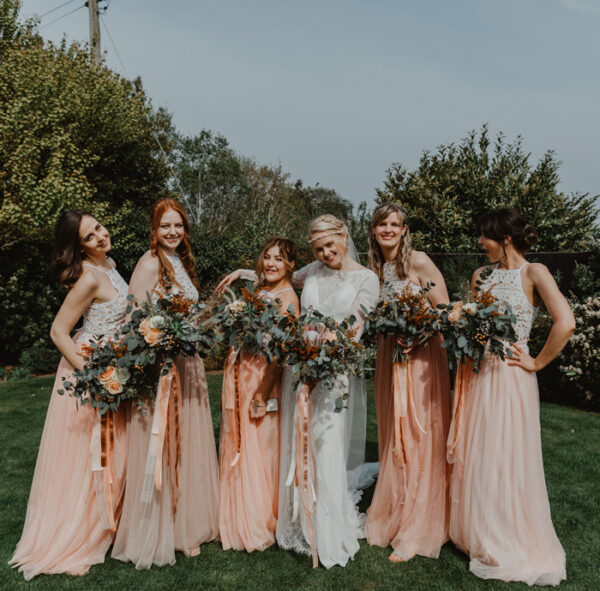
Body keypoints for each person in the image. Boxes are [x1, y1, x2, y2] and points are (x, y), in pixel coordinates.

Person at [220, 214, 379, 568]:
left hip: (332, 370)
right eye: (318, 248)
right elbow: (279, 277)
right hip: (296, 370)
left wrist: (323, 355)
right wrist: (246, 274)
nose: (325, 253)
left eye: (330, 245)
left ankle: (324, 525)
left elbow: (356, 330)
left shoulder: (367, 279)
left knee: (324, 443)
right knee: (295, 443)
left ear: (344, 236)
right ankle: (294, 518)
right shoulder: (313, 272)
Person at [448, 207, 572, 585]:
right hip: (477, 374)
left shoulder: (535, 273)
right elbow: (479, 328)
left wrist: (535, 362)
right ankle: (477, 531)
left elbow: (565, 322)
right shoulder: (481, 276)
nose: (479, 243)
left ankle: (506, 535)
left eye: (485, 237)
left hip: (511, 377)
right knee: (478, 452)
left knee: (505, 455)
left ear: (504, 238)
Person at [10, 210, 128, 579]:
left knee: (113, 452)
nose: (101, 237)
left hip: (115, 368)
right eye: (91, 237)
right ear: (79, 247)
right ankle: (75, 534)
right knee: (85, 459)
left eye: (99, 228)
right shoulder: (88, 278)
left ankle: (109, 524)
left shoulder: (110, 263)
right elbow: (59, 332)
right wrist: (92, 375)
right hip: (89, 371)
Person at [112, 198, 219, 569]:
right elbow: (132, 317)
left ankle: (184, 521)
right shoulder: (149, 262)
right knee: (165, 441)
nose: (172, 232)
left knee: (185, 441)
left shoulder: (180, 262)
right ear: (153, 231)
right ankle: (163, 528)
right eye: (165, 227)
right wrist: (159, 344)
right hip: (162, 365)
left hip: (188, 361)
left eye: (178, 226)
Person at [364, 202, 451, 562]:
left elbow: (445, 311)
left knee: (417, 436)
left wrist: (417, 334)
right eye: (381, 223)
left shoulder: (418, 261)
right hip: (389, 357)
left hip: (420, 357)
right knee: (393, 435)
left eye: (394, 223)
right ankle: (396, 512)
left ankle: (419, 526)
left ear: (404, 229)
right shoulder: (376, 268)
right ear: (373, 230)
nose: (388, 229)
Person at [218, 237, 299, 553]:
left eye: (279, 259)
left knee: (259, 449)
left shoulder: (288, 298)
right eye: (267, 257)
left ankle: (258, 520)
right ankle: (234, 512)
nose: (271, 264)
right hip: (243, 372)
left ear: (291, 265)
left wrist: (263, 395)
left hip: (263, 377)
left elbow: (280, 354)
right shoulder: (262, 291)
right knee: (240, 440)